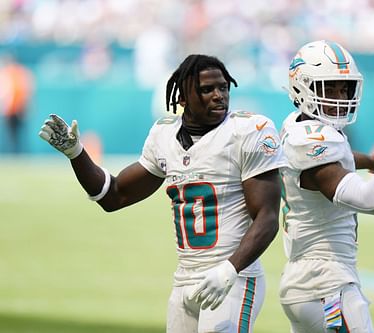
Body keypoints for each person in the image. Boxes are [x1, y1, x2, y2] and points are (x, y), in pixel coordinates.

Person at [39, 54, 287, 333]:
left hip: (233, 278)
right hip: (184, 279)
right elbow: (114, 195)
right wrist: (76, 153)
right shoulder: (164, 136)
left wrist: (230, 269)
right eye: (207, 89)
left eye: (223, 88)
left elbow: (267, 217)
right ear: (182, 98)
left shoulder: (247, 131)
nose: (219, 96)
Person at [279, 40, 374, 333]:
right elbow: (371, 200)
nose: (340, 96)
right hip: (325, 281)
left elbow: (339, 161)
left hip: (306, 279)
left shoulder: (296, 126)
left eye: (344, 88)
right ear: (303, 87)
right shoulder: (314, 142)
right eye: (329, 88)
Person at [0, 54, 33, 153]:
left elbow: (26, 92)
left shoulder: (20, 73)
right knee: (12, 135)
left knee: (18, 134)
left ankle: (19, 154)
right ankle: (14, 154)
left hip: (18, 109)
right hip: (10, 110)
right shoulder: (6, 73)